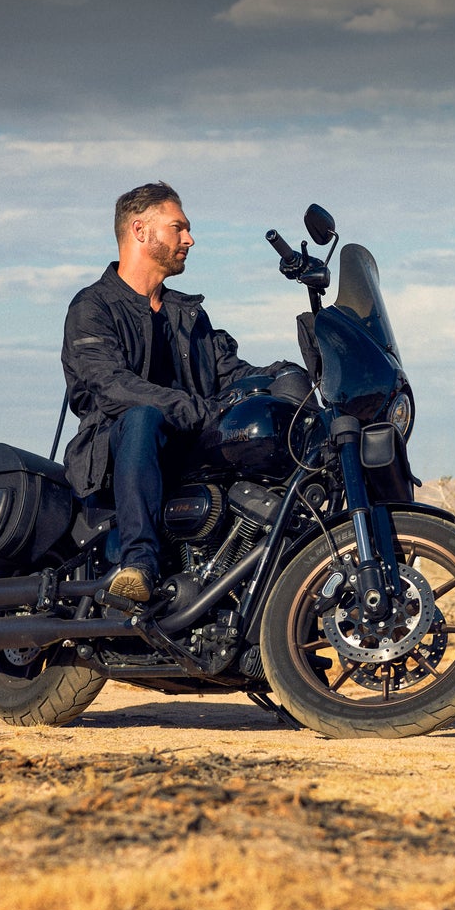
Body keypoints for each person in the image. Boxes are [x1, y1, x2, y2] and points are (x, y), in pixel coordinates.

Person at [61, 182, 280, 602]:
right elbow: (111, 385)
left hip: (189, 449)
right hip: (113, 454)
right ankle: (137, 565)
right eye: (178, 228)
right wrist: (192, 408)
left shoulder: (187, 313)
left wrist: (283, 375)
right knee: (143, 415)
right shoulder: (93, 307)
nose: (189, 239)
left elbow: (231, 373)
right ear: (140, 230)